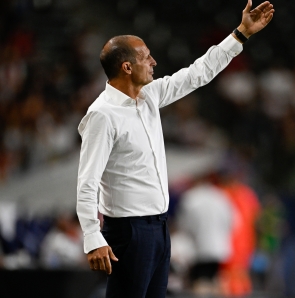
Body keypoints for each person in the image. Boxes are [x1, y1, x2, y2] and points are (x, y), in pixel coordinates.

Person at [75, 1, 274, 297]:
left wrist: (240, 34)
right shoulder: (102, 115)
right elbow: (87, 181)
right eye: (146, 57)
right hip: (128, 231)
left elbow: (198, 73)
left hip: (158, 227)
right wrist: (92, 236)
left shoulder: (149, 96)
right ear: (127, 67)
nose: (154, 61)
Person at [177, 176, 233, 295]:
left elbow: (184, 225)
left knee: (200, 280)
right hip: (218, 247)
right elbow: (231, 221)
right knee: (213, 278)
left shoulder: (191, 197)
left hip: (198, 247)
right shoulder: (220, 196)